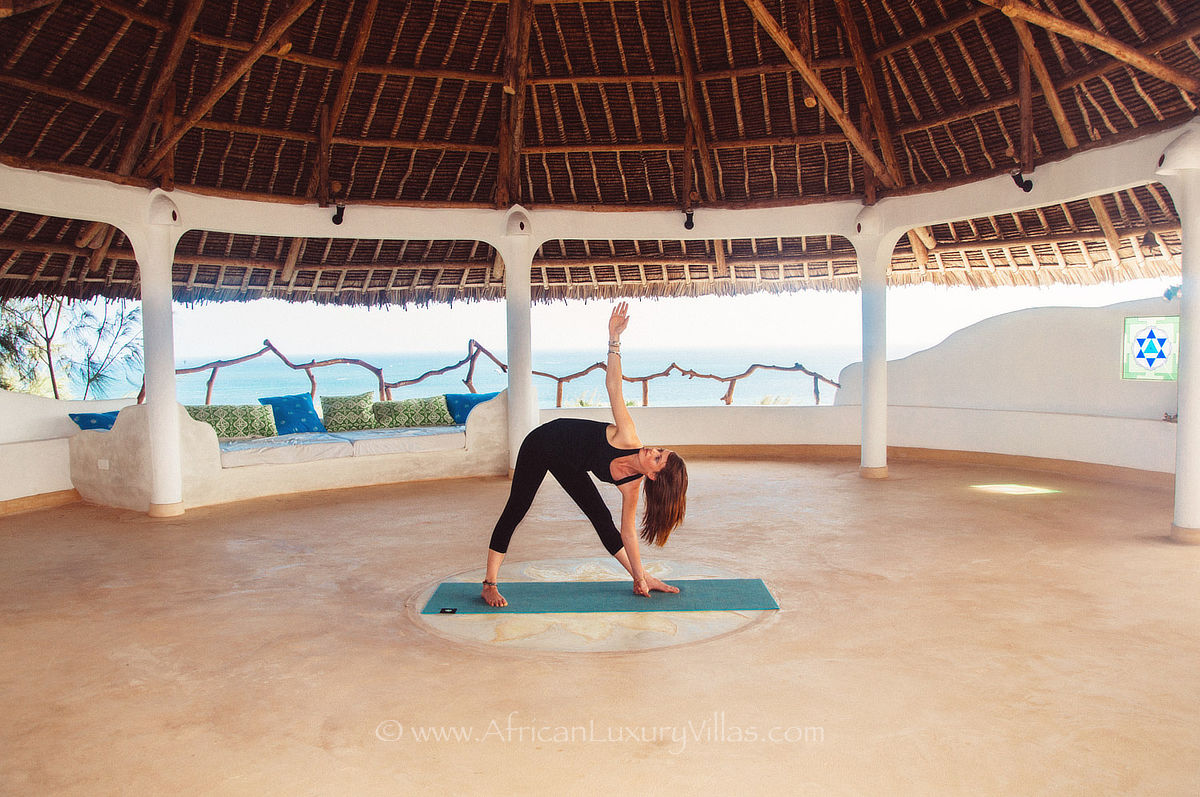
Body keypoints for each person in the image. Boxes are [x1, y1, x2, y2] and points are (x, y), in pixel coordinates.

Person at [481, 302, 689, 608]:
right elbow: (614, 387)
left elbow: (627, 534)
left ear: (654, 476)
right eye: (660, 450)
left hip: (569, 462)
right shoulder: (628, 437)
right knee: (517, 508)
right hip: (542, 443)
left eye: (657, 458)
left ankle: (641, 576)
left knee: (602, 519)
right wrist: (614, 338)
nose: (652, 451)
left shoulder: (632, 486)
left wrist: (641, 577)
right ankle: (489, 584)